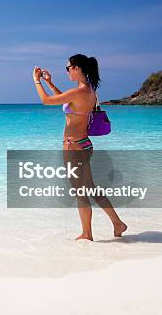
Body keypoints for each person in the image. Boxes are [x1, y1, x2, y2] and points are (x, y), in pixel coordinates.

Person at [33, 54, 127, 241]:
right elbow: (65, 101)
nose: (67, 71)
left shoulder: (79, 92)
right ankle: (117, 223)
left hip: (73, 146)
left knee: (80, 192)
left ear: (77, 68)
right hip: (84, 144)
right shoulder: (89, 91)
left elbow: (47, 101)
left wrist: (36, 81)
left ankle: (87, 233)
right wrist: (50, 83)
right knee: (91, 189)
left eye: (68, 68)